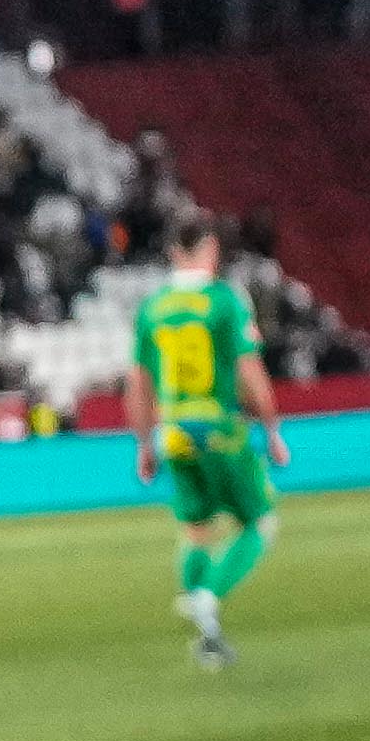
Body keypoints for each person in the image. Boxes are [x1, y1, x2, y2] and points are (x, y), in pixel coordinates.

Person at [129, 212, 283, 668]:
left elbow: (136, 383)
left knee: (197, 528)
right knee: (259, 524)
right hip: (218, 426)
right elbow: (249, 370)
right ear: (212, 249)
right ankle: (208, 601)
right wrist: (272, 429)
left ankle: (198, 609)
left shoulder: (152, 307)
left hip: (172, 430)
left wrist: (143, 444)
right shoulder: (225, 301)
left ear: (173, 253)